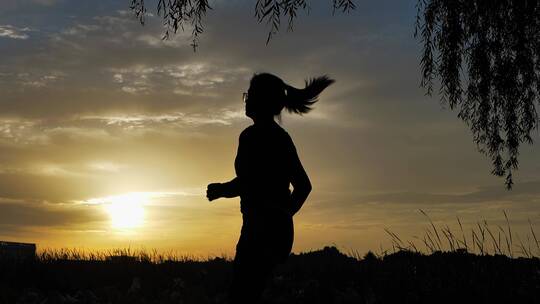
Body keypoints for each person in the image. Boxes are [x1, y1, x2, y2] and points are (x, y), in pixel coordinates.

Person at [206, 72, 335, 304]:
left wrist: (222, 190)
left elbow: (251, 182)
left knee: (242, 295)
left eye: (250, 95)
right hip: (268, 232)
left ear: (263, 101)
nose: (246, 100)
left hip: (260, 234)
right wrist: (284, 216)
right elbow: (295, 186)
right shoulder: (278, 138)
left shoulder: (255, 137)